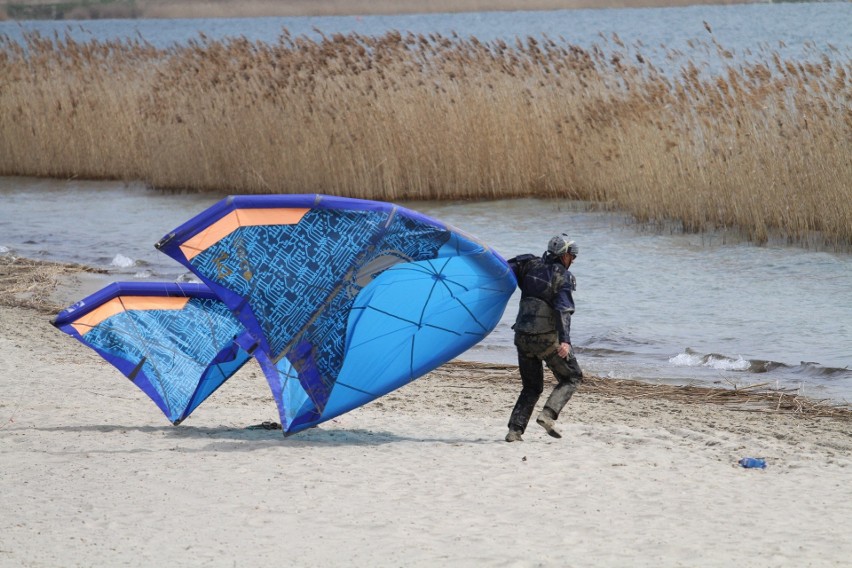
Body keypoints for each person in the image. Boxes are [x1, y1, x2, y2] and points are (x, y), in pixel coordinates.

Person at [505, 234, 584, 442]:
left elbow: (502, 269)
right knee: (572, 376)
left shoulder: (528, 264)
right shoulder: (563, 277)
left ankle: (515, 430)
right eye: (572, 256)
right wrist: (565, 341)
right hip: (546, 340)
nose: (573, 260)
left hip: (521, 336)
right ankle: (547, 415)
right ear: (564, 255)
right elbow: (563, 311)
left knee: (531, 387)